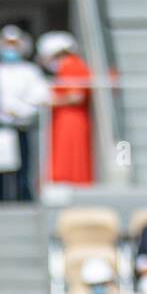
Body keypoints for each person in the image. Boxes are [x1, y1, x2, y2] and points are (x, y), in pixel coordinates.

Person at [0, 24, 49, 201]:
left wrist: (19, 112)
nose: (10, 48)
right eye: (7, 43)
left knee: (23, 169)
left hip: (21, 127)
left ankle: (23, 199)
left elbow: (39, 98)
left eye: (14, 44)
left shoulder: (30, 71)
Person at [36, 31, 94, 185]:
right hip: (66, 118)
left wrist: (50, 101)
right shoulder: (72, 65)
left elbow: (76, 96)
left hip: (70, 120)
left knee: (69, 157)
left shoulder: (71, 65)